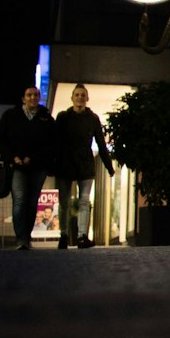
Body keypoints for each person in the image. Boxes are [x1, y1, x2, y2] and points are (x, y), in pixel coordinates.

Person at [0, 85, 57, 249]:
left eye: (36, 95)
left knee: (32, 202)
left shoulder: (46, 118)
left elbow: (51, 144)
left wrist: (34, 158)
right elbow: (0, 139)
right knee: (19, 200)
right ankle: (20, 237)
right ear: (23, 98)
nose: (33, 98)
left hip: (38, 166)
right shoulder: (10, 116)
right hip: (17, 166)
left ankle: (27, 236)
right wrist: (12, 157)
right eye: (29, 95)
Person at [55, 84, 116, 249]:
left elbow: (101, 144)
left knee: (84, 201)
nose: (80, 98)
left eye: (83, 95)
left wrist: (109, 167)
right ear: (72, 98)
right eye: (77, 95)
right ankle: (63, 235)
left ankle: (82, 236)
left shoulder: (93, 118)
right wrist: (53, 164)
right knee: (64, 202)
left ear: (87, 98)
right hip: (65, 163)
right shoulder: (63, 117)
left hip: (84, 163)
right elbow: (55, 142)